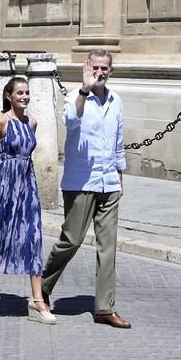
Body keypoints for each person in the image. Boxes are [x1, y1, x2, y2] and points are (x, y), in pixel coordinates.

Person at [40, 49, 131, 329]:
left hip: (109, 183)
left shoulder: (116, 101)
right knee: (72, 240)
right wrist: (83, 89)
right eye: (96, 68)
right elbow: (70, 120)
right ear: (87, 68)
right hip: (81, 183)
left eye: (105, 68)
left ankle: (105, 307)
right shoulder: (74, 96)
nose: (100, 73)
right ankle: (42, 286)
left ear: (111, 71)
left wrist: (120, 172)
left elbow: (118, 139)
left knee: (108, 247)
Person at [0, 77, 54, 324]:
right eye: (20, 92)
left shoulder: (33, 122)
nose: (25, 97)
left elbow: (27, 155)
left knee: (32, 237)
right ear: (9, 95)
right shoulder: (0, 121)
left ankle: (37, 301)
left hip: (27, 187)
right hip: (4, 186)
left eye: (27, 93)